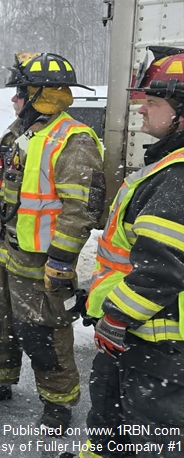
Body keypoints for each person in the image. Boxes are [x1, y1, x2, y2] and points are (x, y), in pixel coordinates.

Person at [0, 52, 105, 433]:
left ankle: (57, 403)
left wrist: (61, 260)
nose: (13, 100)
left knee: (42, 332)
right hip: (4, 252)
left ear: (40, 96)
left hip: (41, 259)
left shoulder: (73, 140)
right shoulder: (19, 133)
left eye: (20, 93)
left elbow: (81, 209)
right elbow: (2, 188)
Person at [70, 49, 184, 458]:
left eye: (153, 103)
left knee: (153, 439)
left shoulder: (177, 176)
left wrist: (116, 316)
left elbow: (161, 270)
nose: (142, 112)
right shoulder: (165, 166)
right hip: (137, 339)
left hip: (159, 346)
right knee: (108, 423)